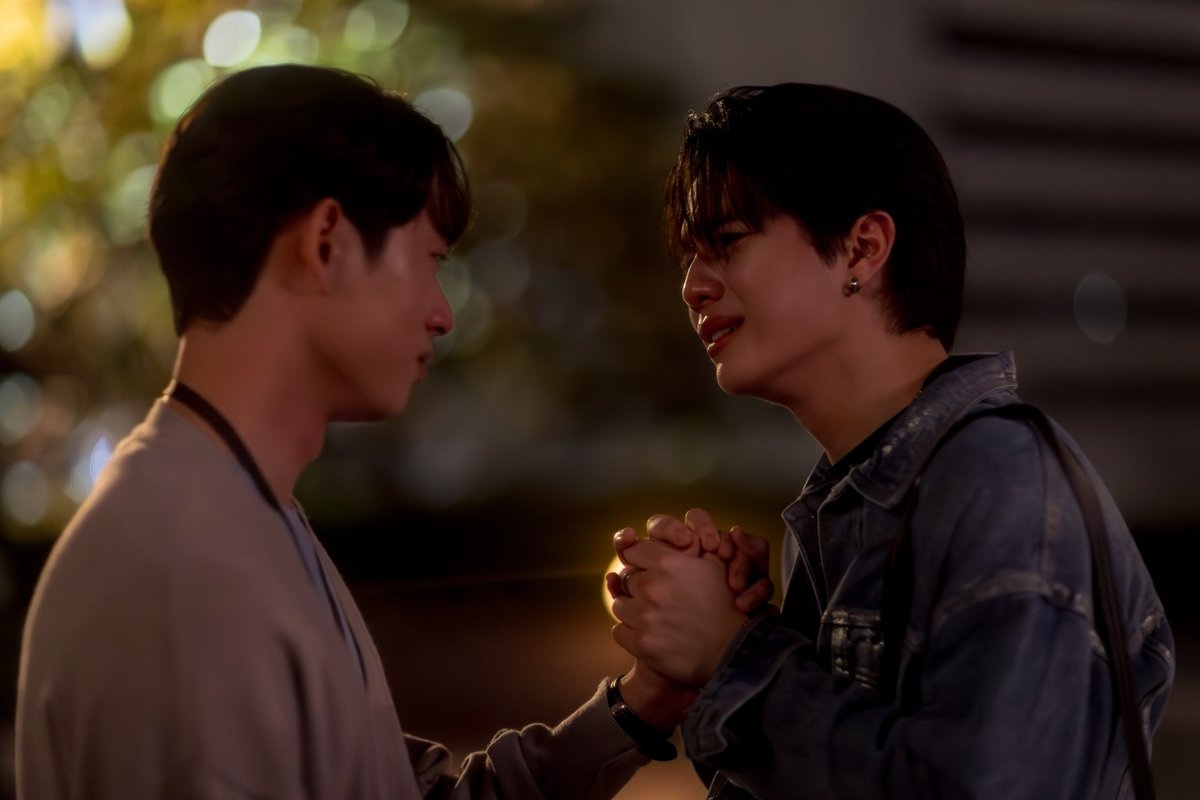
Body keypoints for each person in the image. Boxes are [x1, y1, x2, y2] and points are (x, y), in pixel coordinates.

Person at [15, 63, 710, 800]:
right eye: (431, 260)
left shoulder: (238, 514)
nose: (442, 313)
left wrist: (647, 701)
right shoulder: (188, 574)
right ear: (326, 243)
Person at [607, 84, 1174, 798]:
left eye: (727, 241)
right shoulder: (847, 505)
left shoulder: (997, 477)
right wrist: (725, 644)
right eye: (689, 256)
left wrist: (734, 655)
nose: (693, 286)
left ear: (863, 248)